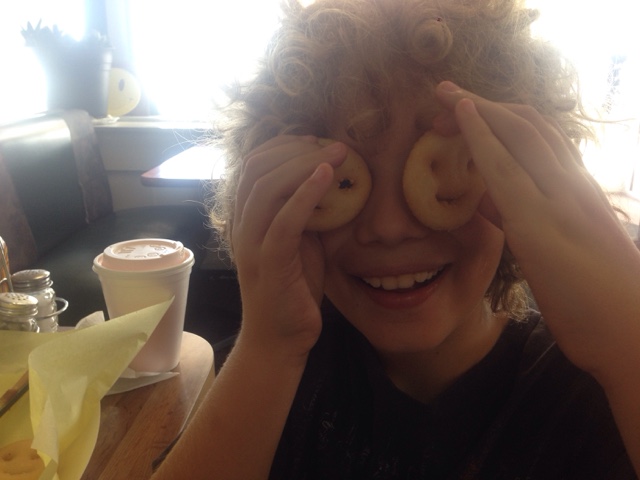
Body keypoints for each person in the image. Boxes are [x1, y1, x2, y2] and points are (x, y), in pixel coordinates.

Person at [153, 0, 640, 478]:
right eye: (342, 177)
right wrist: (268, 349)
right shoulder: (270, 375)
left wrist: (627, 341)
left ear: (518, 177)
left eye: (444, 169)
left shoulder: (594, 390)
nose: (388, 226)